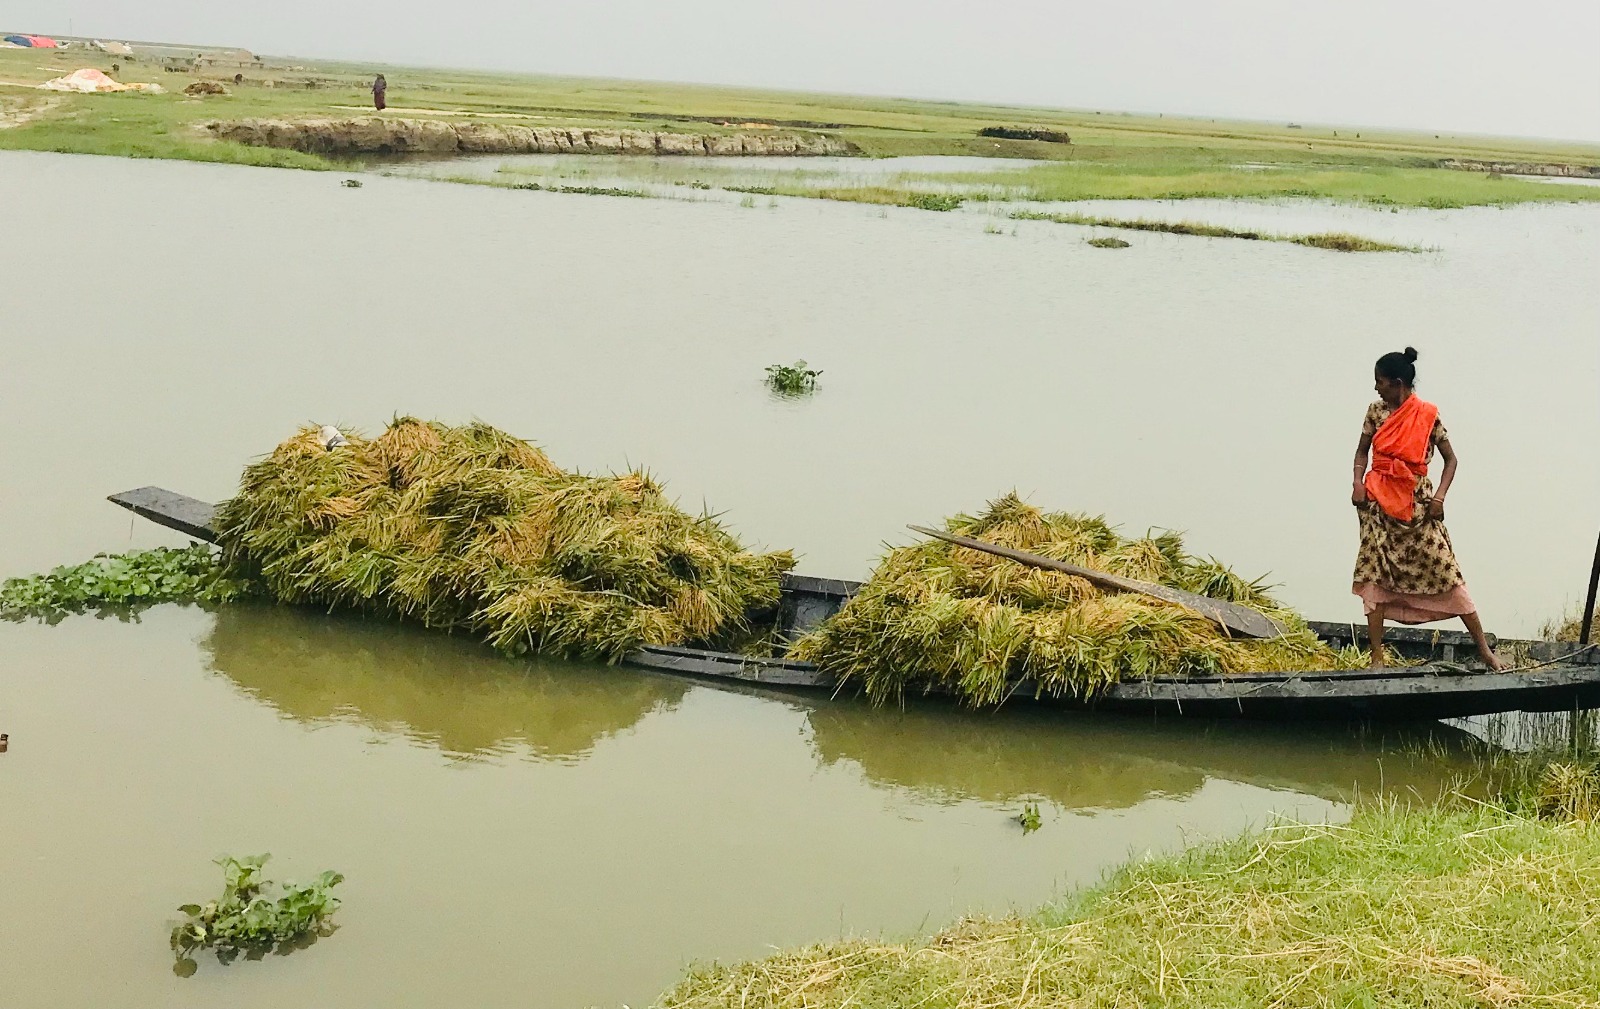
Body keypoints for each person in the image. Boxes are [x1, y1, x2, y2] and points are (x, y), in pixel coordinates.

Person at [1351, 347, 1504, 669]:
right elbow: (1362, 451)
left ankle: (1484, 651)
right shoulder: (1375, 412)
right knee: (1374, 575)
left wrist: (1439, 499)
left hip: (1418, 508)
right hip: (1378, 506)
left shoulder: (1427, 415)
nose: (1376, 388)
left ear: (1397, 383)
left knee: (1446, 571)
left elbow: (1451, 460)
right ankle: (1377, 656)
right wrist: (1357, 482)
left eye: (1380, 382)